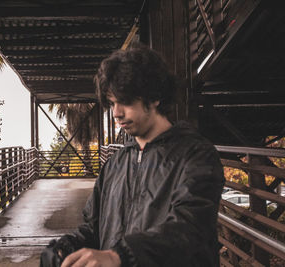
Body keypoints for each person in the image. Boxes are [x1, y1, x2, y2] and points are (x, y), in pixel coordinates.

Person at [40, 45, 225, 267]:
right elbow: (93, 228)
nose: (116, 113)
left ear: (154, 97)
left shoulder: (196, 155)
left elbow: (188, 228)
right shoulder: (115, 164)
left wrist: (120, 256)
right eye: (112, 103)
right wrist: (65, 249)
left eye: (125, 101)